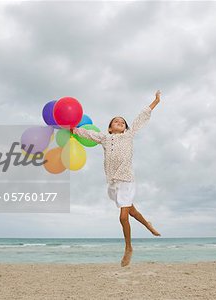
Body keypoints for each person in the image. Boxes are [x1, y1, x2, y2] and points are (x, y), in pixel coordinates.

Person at [72, 90, 162, 267]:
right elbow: (88, 134)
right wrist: (73, 130)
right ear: (110, 128)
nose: (120, 122)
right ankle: (148, 224)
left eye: (123, 122)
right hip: (112, 182)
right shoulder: (105, 138)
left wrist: (155, 102)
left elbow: (141, 117)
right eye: (116, 121)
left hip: (127, 179)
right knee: (132, 212)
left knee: (123, 217)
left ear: (126, 128)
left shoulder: (129, 135)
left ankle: (128, 248)